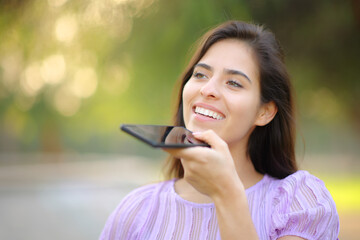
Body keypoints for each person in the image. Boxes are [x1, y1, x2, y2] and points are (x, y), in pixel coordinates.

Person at [99, 20, 340, 240]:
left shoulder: (301, 204)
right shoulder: (138, 209)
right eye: (200, 74)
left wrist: (227, 194)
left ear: (264, 112)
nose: (208, 89)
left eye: (234, 82)